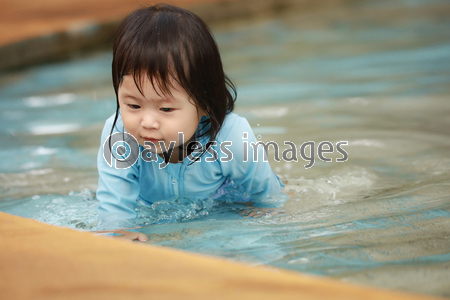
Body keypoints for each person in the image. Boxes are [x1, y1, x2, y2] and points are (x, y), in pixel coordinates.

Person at [95, 3, 285, 242]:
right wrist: (120, 233)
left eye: (165, 108)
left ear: (205, 103)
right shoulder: (120, 137)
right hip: (150, 212)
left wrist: (263, 220)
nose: (147, 122)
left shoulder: (231, 137)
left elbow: (267, 198)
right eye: (133, 105)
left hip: (221, 206)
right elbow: (114, 213)